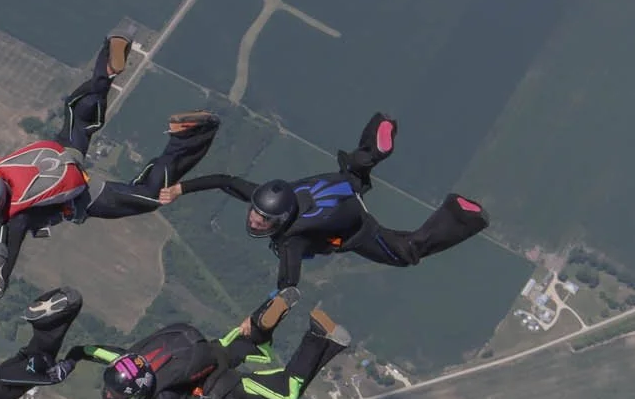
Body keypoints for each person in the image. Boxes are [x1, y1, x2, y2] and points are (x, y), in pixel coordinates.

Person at [0, 34, 218, 344]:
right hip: (59, 153)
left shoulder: (15, 220)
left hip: (81, 190)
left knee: (146, 196)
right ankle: (107, 71)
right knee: (82, 116)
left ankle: (189, 136)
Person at [163, 113, 487, 293]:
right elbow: (226, 181)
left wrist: (273, 312)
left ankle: (461, 214)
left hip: (358, 229)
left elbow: (288, 279)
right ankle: (374, 144)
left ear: (282, 220)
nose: (254, 221)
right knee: (356, 171)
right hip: (341, 186)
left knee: (408, 253)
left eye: (263, 221)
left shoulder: (292, 238)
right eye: (256, 214)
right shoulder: (270, 196)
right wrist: (181, 188)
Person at [66, 295, 349, 399]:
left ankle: (315, 335)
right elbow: (90, 351)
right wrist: (71, 358)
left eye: (116, 394)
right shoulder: (127, 358)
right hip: (213, 351)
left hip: (224, 387)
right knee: (251, 342)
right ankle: (272, 323)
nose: (110, 394)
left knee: (288, 392)